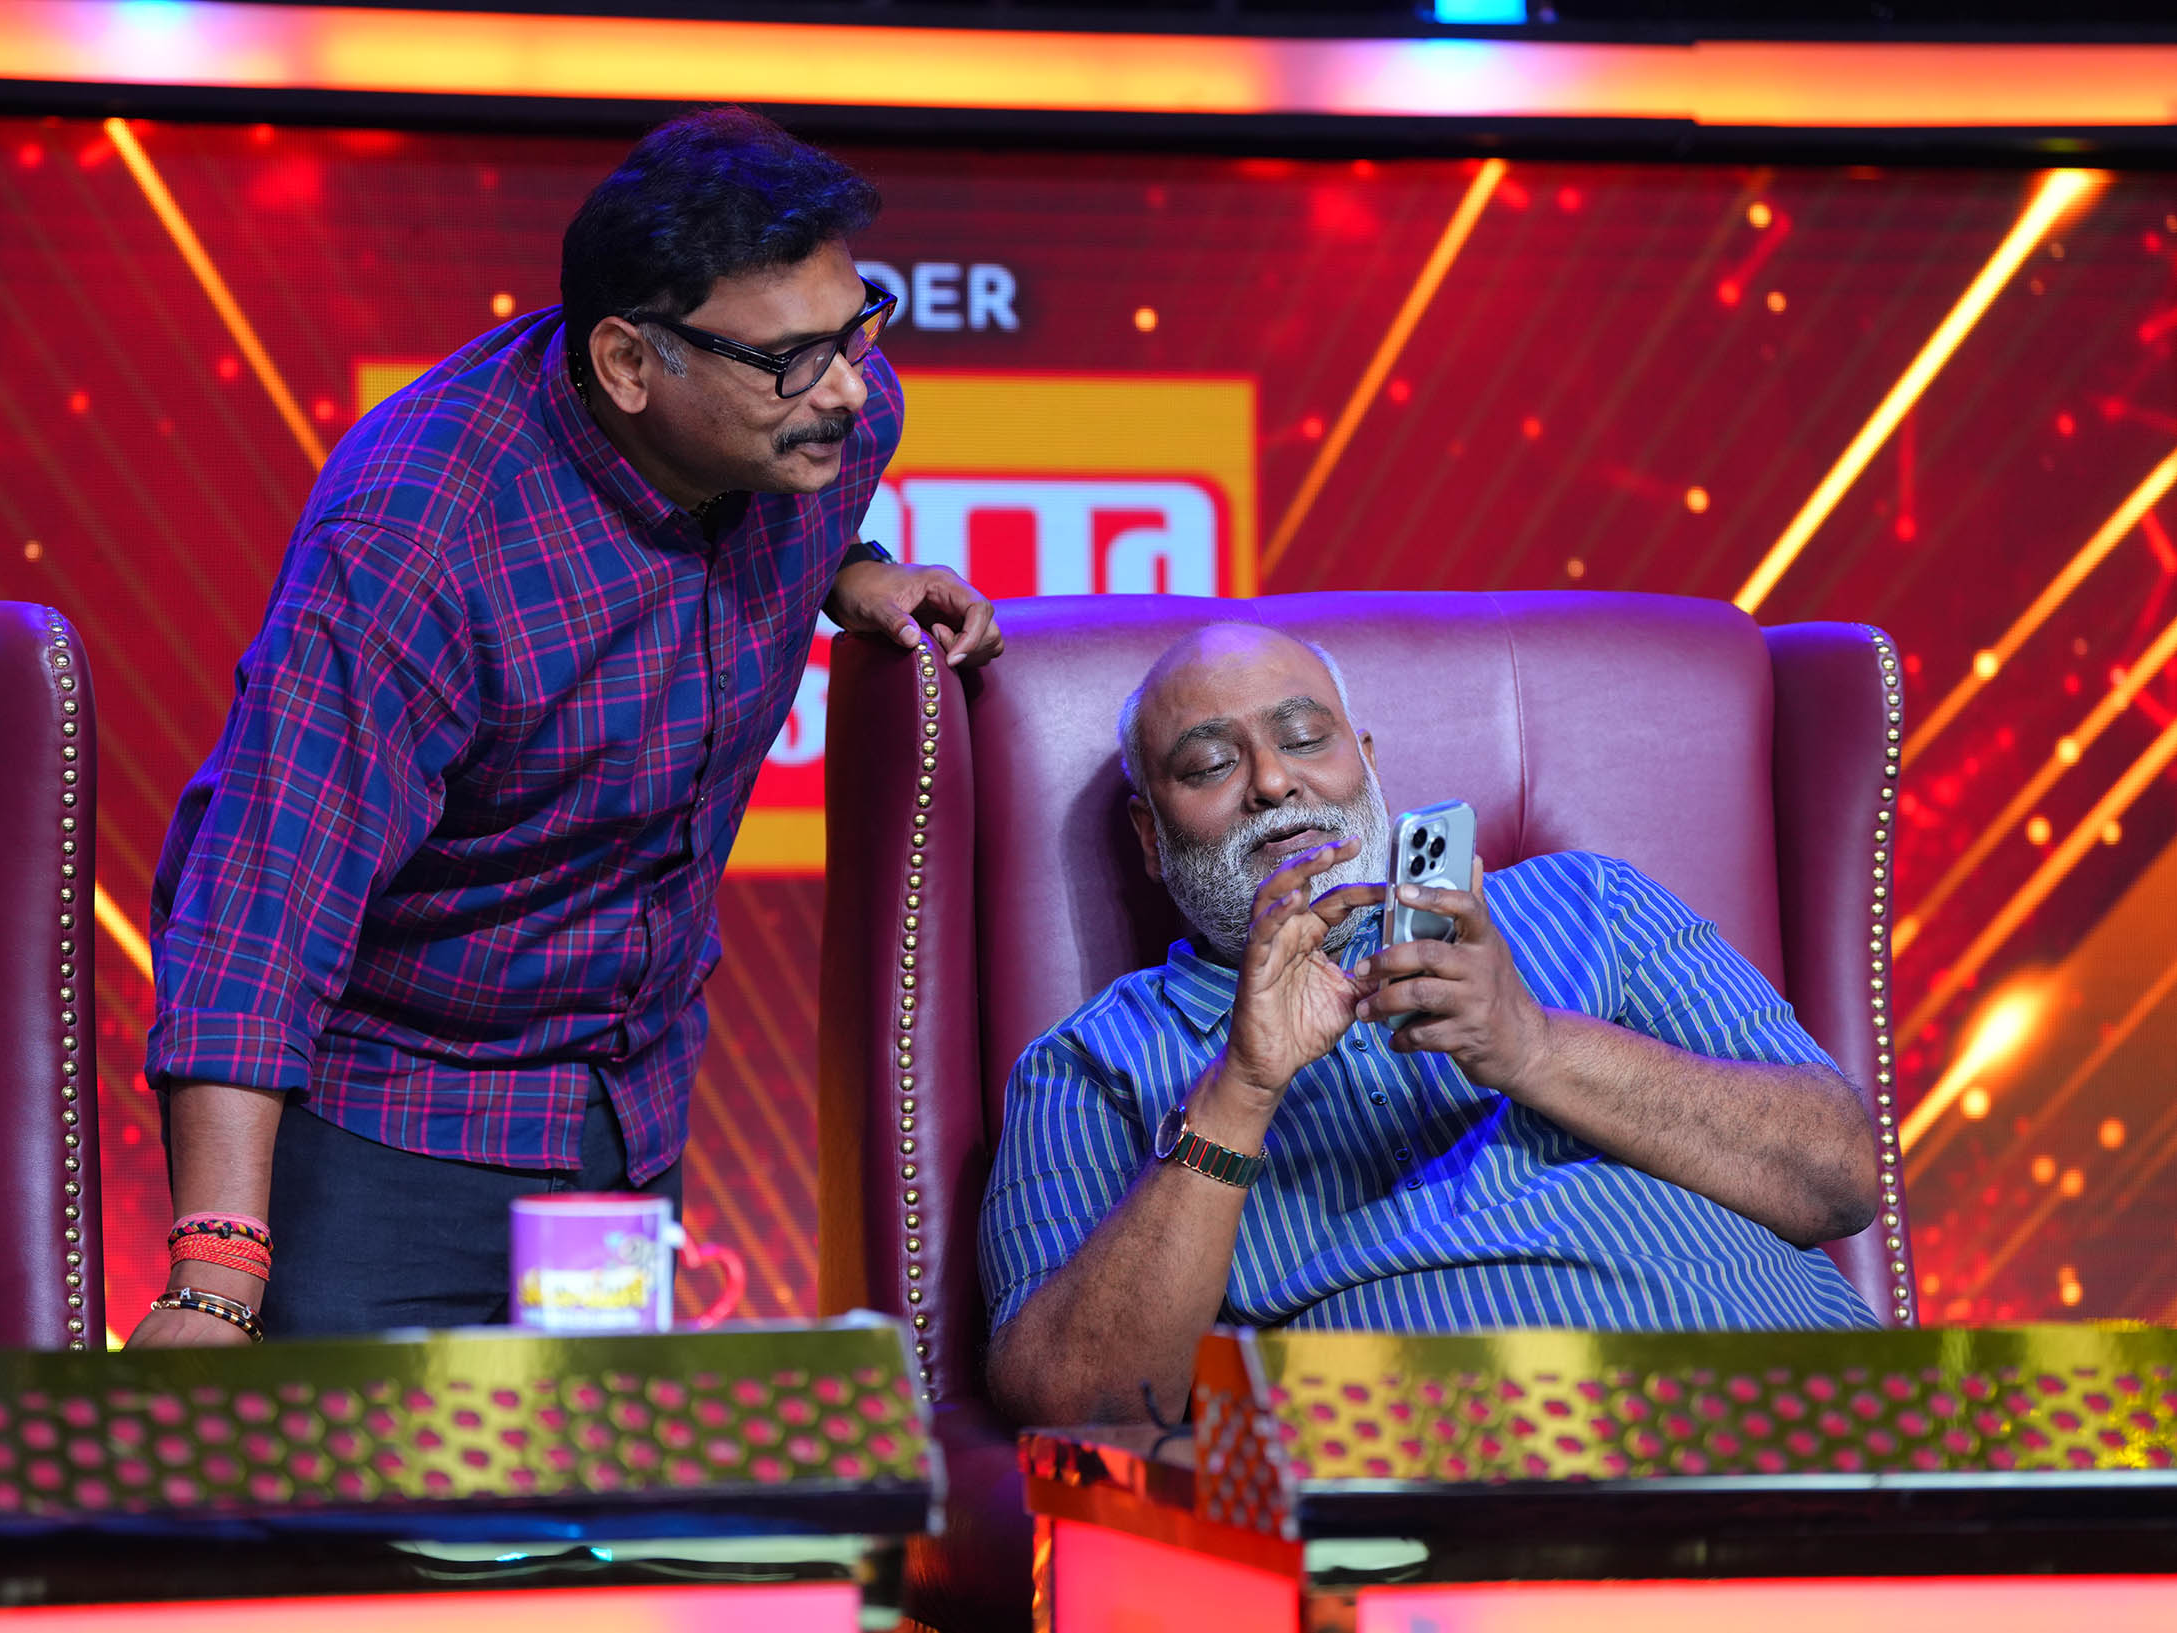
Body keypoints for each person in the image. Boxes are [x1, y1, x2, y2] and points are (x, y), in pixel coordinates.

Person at [133, 109, 1002, 1346]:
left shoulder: (829, 425)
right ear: (629, 363)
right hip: (388, 1127)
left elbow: (777, 495)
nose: (849, 387)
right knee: (371, 1476)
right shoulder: (418, 544)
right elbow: (260, 905)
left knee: (597, 1466)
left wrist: (845, 569)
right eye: (791, 358)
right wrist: (214, 1267)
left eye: (856, 327)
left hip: (626, 1113)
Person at [980, 623, 1881, 1426]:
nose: (1273, 781)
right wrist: (1240, 1093)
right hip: (1454, 1490)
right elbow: (1074, 1405)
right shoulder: (1090, 1060)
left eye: (1305, 738)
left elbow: (1841, 1172)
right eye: (1212, 763)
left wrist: (1534, 1046)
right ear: (1150, 835)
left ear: (1367, 763)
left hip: (1806, 1417)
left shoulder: (1589, 900)